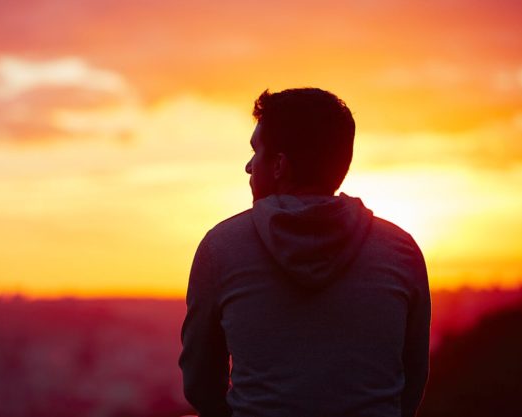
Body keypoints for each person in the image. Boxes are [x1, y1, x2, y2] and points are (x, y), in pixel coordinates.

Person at [179, 88, 430, 417]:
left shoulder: (221, 247)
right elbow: (410, 382)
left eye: (257, 152)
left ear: (280, 164)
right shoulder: (401, 250)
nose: (249, 166)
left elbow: (200, 385)